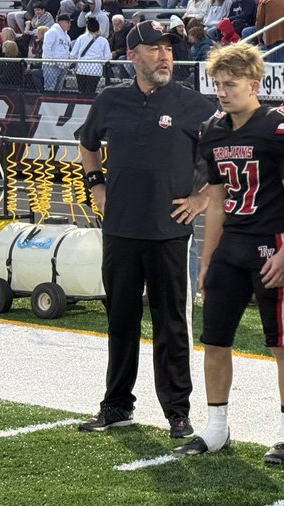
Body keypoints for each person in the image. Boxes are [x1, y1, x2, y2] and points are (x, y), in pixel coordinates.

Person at [76, 21, 216, 437]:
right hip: (121, 230)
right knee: (120, 320)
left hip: (170, 232)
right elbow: (87, 144)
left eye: (168, 48)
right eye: (154, 48)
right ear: (132, 56)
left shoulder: (193, 104)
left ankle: (177, 411)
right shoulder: (110, 99)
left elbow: (225, 158)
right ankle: (117, 405)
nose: (164, 56)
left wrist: (201, 199)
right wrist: (96, 187)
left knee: (171, 325)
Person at [178, 42, 284, 465]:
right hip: (232, 246)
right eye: (217, 84)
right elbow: (216, 203)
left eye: (230, 84)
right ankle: (216, 427)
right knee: (214, 340)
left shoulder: (279, 125)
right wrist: (206, 261)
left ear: (254, 85)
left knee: (281, 342)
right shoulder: (214, 129)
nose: (222, 91)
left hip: (271, 243)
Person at [70, 15, 111, 94]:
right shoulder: (103, 41)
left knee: (81, 92)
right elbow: (108, 57)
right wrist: (100, 61)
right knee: (91, 92)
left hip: (81, 68)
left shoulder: (81, 38)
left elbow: (73, 54)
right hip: (95, 69)